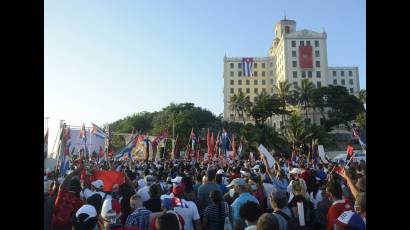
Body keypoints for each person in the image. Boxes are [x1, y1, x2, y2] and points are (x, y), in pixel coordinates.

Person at [51, 166, 84, 230]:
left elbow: (64, 182)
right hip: (67, 226)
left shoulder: (62, 194)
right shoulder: (79, 201)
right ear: (79, 188)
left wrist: (75, 172)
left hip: (55, 224)